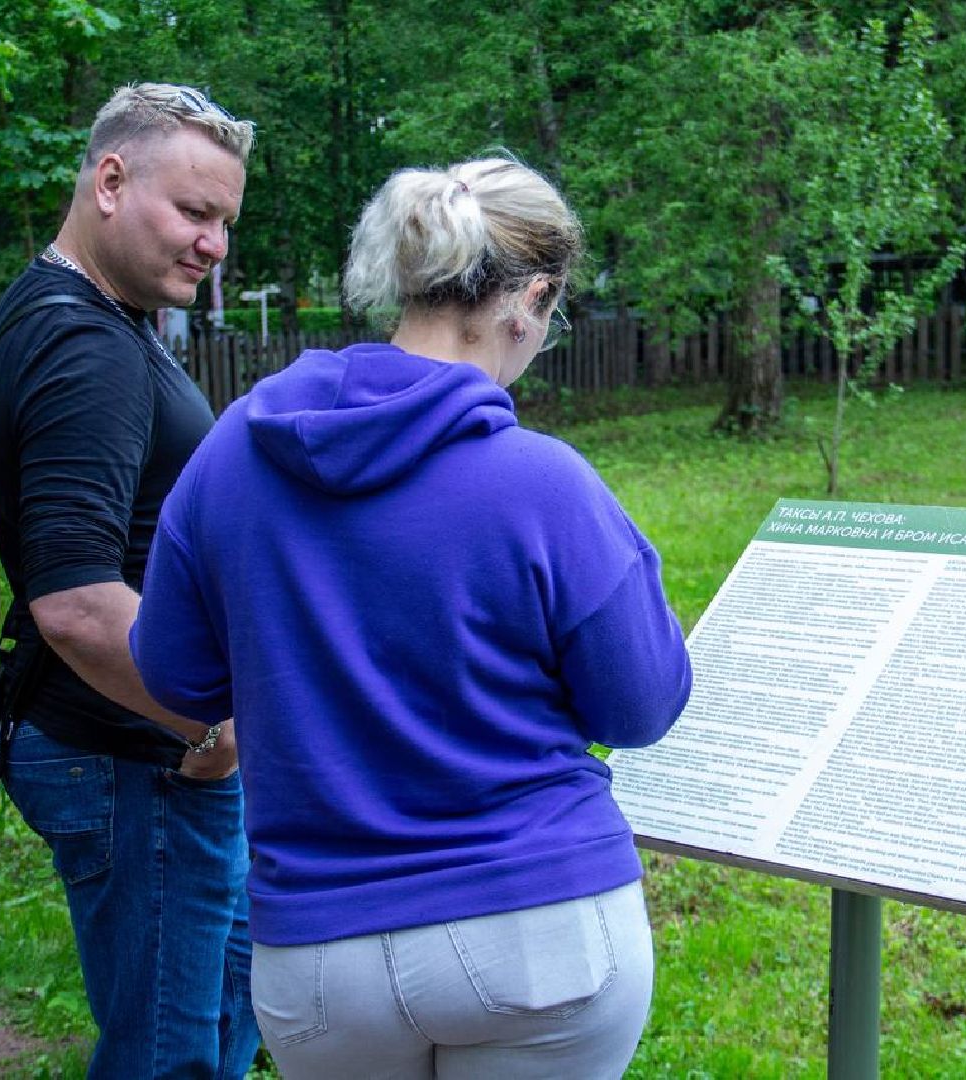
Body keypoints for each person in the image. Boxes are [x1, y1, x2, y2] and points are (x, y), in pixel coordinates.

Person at [130, 157, 694, 1078]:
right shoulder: (545, 485)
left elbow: (174, 674)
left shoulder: (235, 452)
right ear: (529, 299)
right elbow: (639, 708)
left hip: (317, 951)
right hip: (538, 923)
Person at [0, 83, 261, 1079]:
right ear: (109, 180)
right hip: (136, 760)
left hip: (154, 756)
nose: (214, 244)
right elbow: (76, 601)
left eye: (223, 220)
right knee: (164, 1057)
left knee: (220, 1024)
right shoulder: (83, 345)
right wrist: (209, 731)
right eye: (193, 212)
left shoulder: (96, 316)